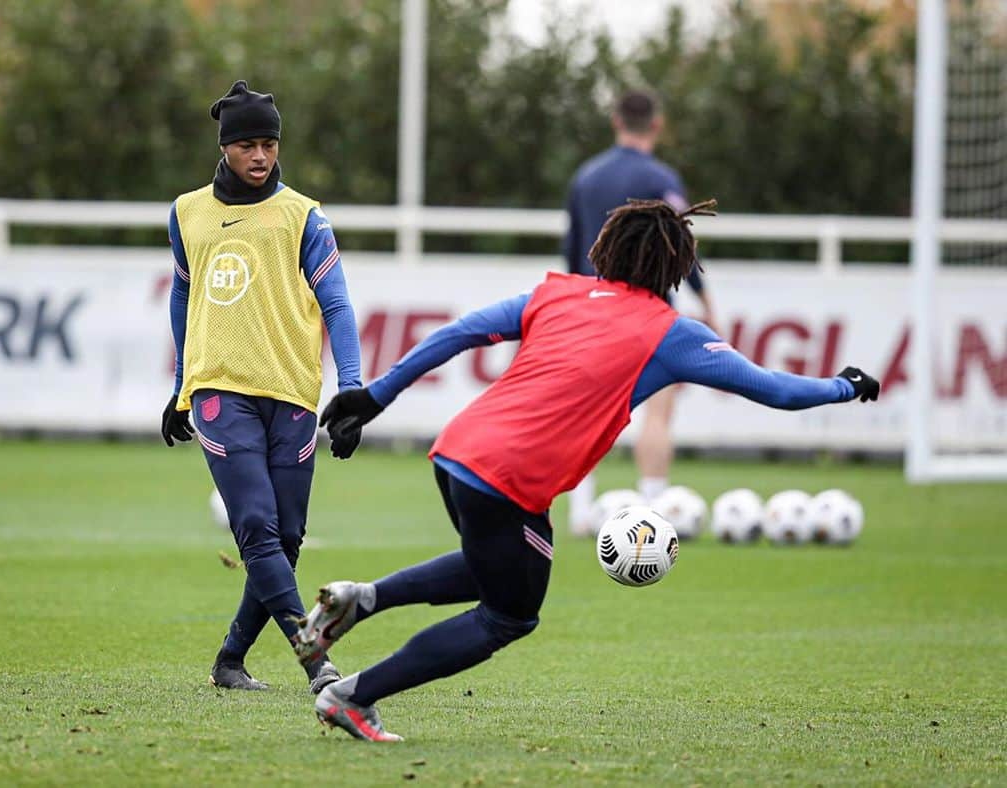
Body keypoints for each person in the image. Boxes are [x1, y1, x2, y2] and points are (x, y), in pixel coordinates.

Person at [291, 198, 880, 742]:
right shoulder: (670, 334)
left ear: (607, 248)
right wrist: (843, 386)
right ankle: (352, 696)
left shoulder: (558, 293)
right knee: (509, 614)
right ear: (674, 267)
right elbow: (774, 389)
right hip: (508, 479)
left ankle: (361, 599)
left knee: (500, 568)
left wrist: (375, 397)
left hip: (458, 453)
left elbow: (459, 332)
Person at [159, 80, 363, 695]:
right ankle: (314, 659)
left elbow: (338, 305)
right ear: (225, 148)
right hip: (220, 393)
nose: (260, 156)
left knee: (288, 536)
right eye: (247, 145)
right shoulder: (187, 212)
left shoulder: (304, 215)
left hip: (294, 394)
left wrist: (351, 391)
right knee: (255, 527)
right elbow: (182, 294)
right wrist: (180, 387)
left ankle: (231, 659)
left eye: (269, 144)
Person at [564, 87, 716, 534]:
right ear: (656, 124)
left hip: (591, 310)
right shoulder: (659, 178)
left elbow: (571, 250)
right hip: (648, 315)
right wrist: (706, 302)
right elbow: (679, 249)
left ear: (615, 121)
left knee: (585, 414)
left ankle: (579, 511)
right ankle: (651, 509)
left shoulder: (586, 178)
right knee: (656, 412)